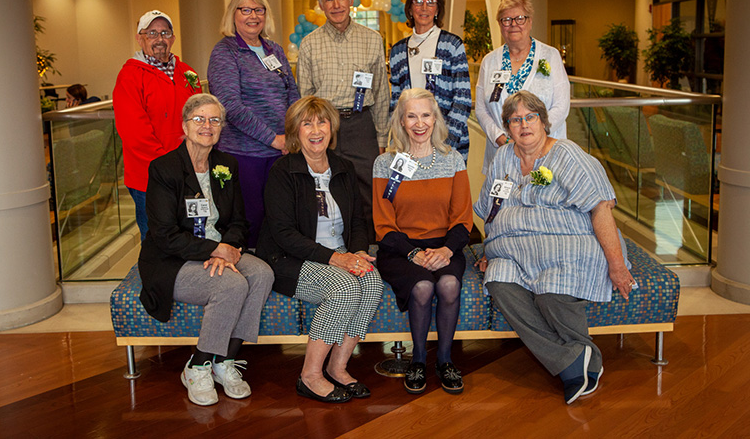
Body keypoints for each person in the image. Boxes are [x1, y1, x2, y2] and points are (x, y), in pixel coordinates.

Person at [473, 90, 635, 404]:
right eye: (515, 120)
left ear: (544, 122)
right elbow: (490, 211)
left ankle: (573, 363)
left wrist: (616, 265)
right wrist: (488, 250)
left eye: (530, 117)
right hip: (513, 251)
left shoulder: (567, 154)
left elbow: (601, 207)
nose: (524, 125)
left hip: (568, 245)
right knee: (498, 281)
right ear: (507, 128)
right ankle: (574, 359)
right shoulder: (503, 158)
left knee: (551, 292)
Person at [138, 94, 274, 407]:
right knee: (231, 284)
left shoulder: (226, 164)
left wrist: (231, 247)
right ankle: (197, 367)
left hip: (220, 249)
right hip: (173, 260)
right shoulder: (164, 169)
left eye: (214, 120)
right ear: (185, 126)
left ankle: (224, 361)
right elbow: (164, 235)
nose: (207, 125)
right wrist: (216, 250)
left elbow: (239, 220)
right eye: (199, 119)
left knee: (263, 274)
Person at [256, 96, 383, 404]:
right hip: (291, 259)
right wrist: (337, 258)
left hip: (339, 253)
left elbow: (358, 220)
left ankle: (337, 368)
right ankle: (310, 375)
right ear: (295, 131)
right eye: (307, 124)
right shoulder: (282, 171)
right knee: (345, 289)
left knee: (372, 282)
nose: (316, 130)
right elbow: (283, 234)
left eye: (322, 122)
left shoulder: (343, 167)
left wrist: (357, 252)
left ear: (332, 127)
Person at [372, 88, 473, 395]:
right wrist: (412, 252)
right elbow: (383, 224)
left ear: (435, 119)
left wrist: (446, 250)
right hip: (399, 248)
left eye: (426, 115)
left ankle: (444, 360)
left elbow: (463, 219)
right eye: (411, 116)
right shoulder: (385, 163)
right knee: (423, 286)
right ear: (401, 121)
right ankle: (417, 360)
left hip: (445, 245)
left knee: (449, 284)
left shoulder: (452, 159)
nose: (419, 123)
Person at [208, 0, 300, 247]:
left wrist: (292, 136)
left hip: (281, 152)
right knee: (251, 221)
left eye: (259, 10)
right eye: (246, 10)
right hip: (244, 154)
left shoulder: (274, 50)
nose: (253, 16)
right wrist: (274, 139)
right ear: (233, 14)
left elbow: (292, 94)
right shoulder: (225, 52)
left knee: (280, 217)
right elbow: (230, 106)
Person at [296, 0, 389, 236]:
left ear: (350, 1)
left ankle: (370, 244)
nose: (336, 5)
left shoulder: (372, 39)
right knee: (327, 186)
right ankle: (334, 243)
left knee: (369, 188)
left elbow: (381, 92)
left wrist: (382, 138)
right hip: (324, 126)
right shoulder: (309, 44)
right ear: (321, 5)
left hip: (362, 124)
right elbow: (304, 96)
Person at [114, 10, 202, 240]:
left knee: (191, 237)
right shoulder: (130, 76)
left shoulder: (187, 73)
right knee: (157, 241)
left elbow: (201, 117)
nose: (159, 39)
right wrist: (169, 168)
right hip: (150, 177)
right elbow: (135, 134)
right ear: (139, 38)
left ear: (173, 38)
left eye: (165, 33)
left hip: (189, 173)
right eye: (152, 33)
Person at [475, 0, 570, 170]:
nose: (513, 25)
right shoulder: (489, 61)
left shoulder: (550, 55)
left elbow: (562, 105)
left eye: (520, 18)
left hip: (545, 152)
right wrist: (499, 137)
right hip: (502, 151)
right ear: (500, 25)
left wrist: (534, 136)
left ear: (530, 21)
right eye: (506, 20)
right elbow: (481, 109)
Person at [389, 0, 472, 160]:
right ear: (410, 9)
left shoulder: (452, 45)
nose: (424, 7)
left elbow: (463, 98)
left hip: (448, 141)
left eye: (431, 2)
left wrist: (445, 142)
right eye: (418, 2)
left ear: (437, 10)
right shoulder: (397, 51)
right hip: (408, 141)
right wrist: (397, 140)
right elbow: (395, 102)